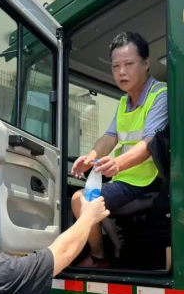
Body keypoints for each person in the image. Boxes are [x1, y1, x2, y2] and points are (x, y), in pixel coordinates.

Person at [71, 31, 168, 268]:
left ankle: (98, 257)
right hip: (125, 179)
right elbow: (110, 137)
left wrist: (117, 164)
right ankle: (116, 248)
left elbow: (149, 144)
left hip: (147, 182)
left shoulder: (160, 95)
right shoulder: (124, 101)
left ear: (146, 63)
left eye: (128, 64)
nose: (121, 72)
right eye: (116, 66)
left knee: (79, 199)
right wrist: (91, 157)